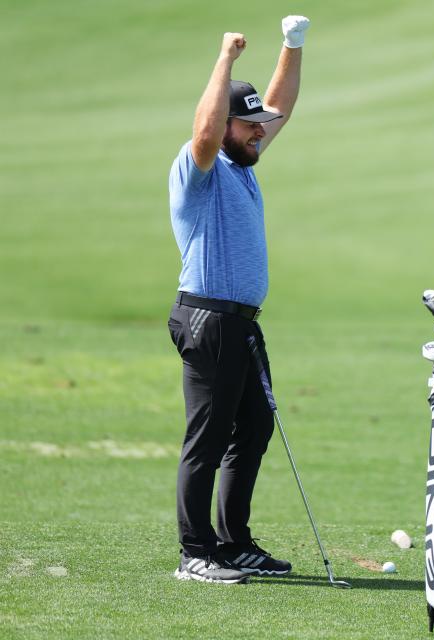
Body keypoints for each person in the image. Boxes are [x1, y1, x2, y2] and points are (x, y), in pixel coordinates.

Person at [167, 16, 311, 584]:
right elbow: (205, 131)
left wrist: (291, 46)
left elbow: (280, 106)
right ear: (225, 125)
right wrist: (224, 59)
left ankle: (232, 542)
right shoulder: (199, 166)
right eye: (249, 125)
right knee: (207, 436)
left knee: (252, 426)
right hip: (209, 318)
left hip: (240, 324)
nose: (260, 132)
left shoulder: (243, 160)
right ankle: (194, 552)